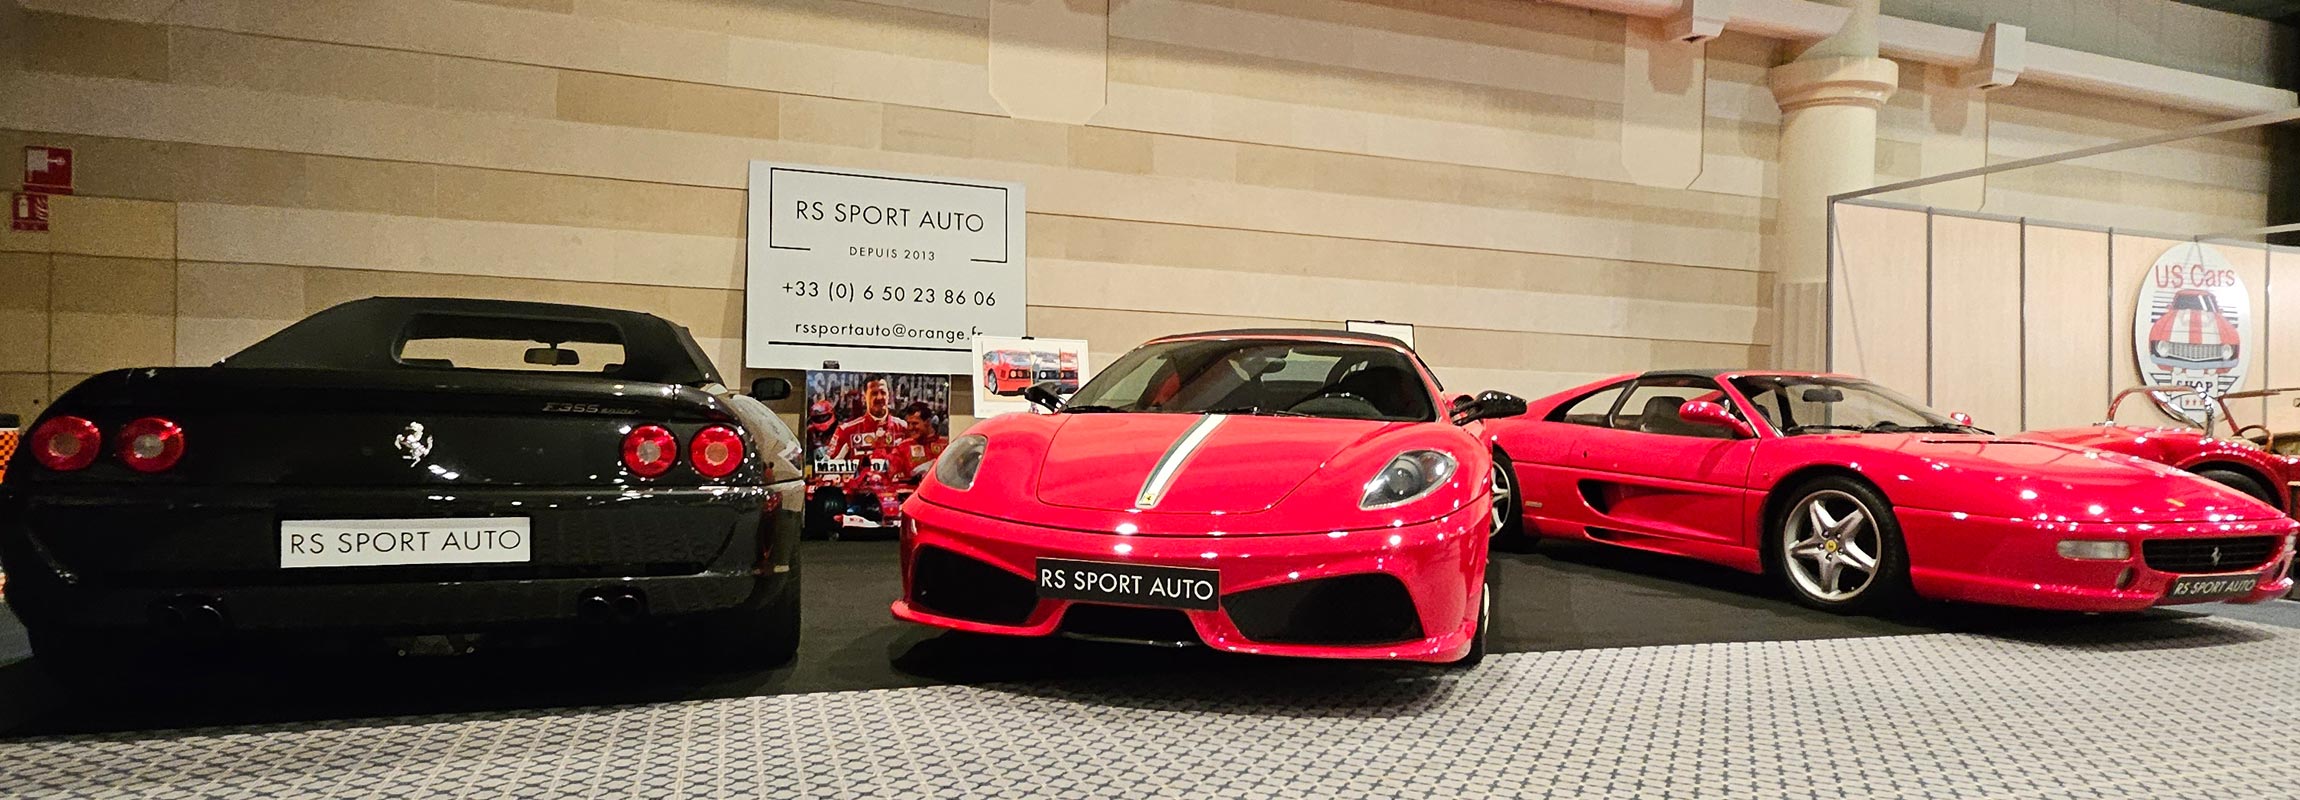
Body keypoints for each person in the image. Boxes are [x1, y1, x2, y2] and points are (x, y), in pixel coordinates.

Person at [828, 377, 910, 461]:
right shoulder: (845, 431)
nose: (879, 397)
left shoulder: (903, 428)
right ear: (864, 397)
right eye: (874, 393)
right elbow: (828, 465)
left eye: (883, 392)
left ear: (888, 396)